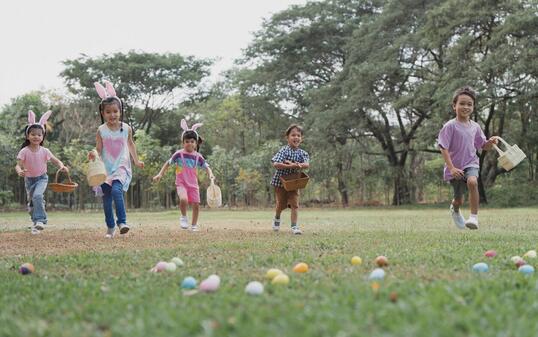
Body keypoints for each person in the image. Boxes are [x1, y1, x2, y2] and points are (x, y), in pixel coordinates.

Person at [88, 81, 144, 238]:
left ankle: (122, 222)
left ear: (120, 112)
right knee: (106, 199)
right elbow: (98, 149)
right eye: (108, 112)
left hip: (121, 167)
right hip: (105, 169)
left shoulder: (126, 128)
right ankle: (110, 226)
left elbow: (131, 145)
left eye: (115, 111)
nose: (112, 115)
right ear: (102, 113)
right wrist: (93, 154)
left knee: (117, 191)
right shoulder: (101, 130)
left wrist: (137, 161)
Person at [438, 86, 498, 230]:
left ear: (473, 107)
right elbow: (443, 147)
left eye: (469, 104)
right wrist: (451, 168)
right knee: (459, 199)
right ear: (454, 106)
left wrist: (490, 143)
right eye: (462, 103)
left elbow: (483, 145)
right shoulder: (450, 126)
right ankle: (455, 209)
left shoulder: (475, 127)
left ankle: (473, 218)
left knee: (472, 182)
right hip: (455, 168)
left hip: (471, 163)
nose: (466, 107)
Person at [153, 119, 214, 231]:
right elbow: (168, 163)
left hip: (193, 185)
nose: (189, 143)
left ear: (196, 143)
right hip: (181, 183)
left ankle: (194, 225)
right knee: (184, 200)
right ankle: (183, 217)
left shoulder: (198, 156)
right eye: (186, 141)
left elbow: (206, 166)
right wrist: (160, 174)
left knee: (196, 204)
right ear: (183, 142)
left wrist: (211, 174)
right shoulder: (179, 154)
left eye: (192, 141)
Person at [15, 110, 69, 234]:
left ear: (42, 136)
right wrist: (19, 171)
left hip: (41, 178)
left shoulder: (45, 151)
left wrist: (62, 166)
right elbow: (17, 166)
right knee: (32, 204)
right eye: (33, 134)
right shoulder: (24, 151)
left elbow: (56, 161)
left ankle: (40, 220)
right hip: (29, 180)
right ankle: (36, 224)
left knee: (38, 196)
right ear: (27, 136)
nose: (36, 137)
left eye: (39, 135)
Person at [270, 124, 310, 235]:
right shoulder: (284, 151)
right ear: (287, 137)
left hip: (294, 183)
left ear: (301, 138)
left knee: (295, 204)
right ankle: (277, 218)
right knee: (281, 205)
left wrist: (298, 165)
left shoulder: (303, 153)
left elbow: (306, 164)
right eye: (293, 135)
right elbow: (276, 164)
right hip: (280, 182)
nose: (296, 137)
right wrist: (290, 166)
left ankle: (294, 226)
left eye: (298, 135)